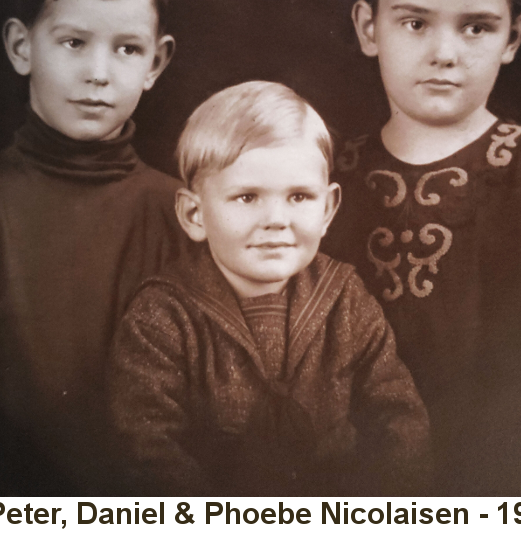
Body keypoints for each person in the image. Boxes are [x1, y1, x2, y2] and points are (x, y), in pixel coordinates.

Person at [324, 0, 521, 495]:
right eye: (415, 23)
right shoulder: (330, 175)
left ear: (514, 35)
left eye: (476, 27)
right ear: (368, 27)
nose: (445, 53)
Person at [108, 81, 431, 496]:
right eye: (247, 198)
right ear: (194, 214)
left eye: (299, 196)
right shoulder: (162, 316)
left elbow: (400, 421)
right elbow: (147, 449)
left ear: (328, 209)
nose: (276, 219)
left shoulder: (345, 297)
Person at [0, 0, 183, 495]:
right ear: (22, 47)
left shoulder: (182, 215)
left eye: (126, 49)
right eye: (73, 42)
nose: (97, 73)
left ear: (156, 64)